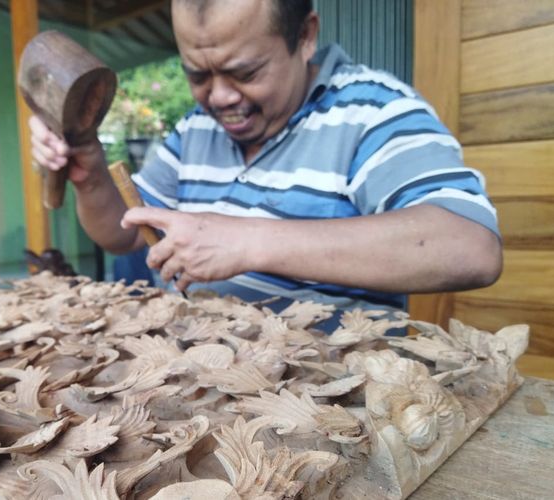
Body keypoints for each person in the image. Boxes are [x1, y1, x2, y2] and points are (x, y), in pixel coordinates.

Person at [30, 0, 502, 315]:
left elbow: (470, 246)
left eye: (245, 71)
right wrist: (89, 171)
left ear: (305, 36)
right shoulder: (195, 128)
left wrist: (249, 242)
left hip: (334, 410)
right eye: (198, 74)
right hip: (204, 388)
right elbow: (121, 233)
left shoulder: (373, 111)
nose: (217, 98)